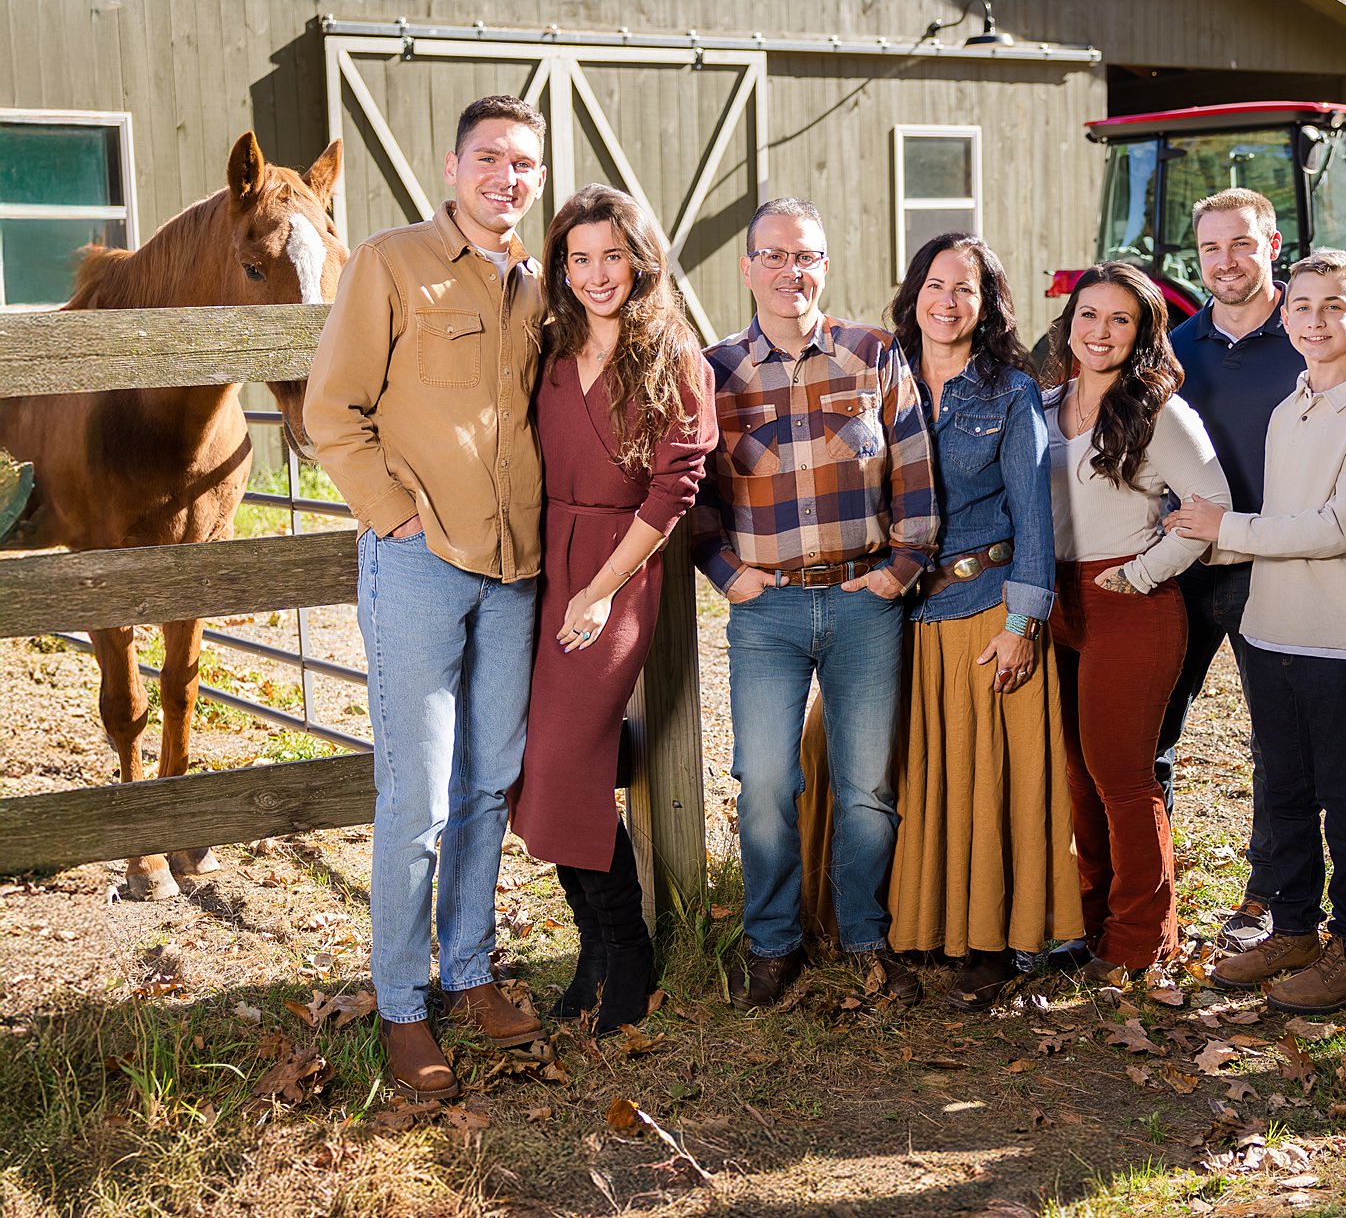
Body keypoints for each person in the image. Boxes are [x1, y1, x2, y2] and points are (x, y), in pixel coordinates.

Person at [305, 95, 550, 1101]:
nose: (505, 176)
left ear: (536, 181)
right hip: (419, 560)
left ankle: (470, 971)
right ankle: (404, 1004)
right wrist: (392, 514)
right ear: (452, 168)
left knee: (488, 782)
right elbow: (332, 409)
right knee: (416, 796)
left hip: (516, 568)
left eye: (522, 163)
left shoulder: (539, 285)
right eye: (488, 158)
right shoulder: (390, 262)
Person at [797, 233, 1083, 1010]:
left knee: (976, 778)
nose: (947, 300)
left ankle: (987, 939)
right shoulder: (872, 375)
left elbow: (1033, 518)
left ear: (987, 306)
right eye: (935, 283)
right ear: (913, 291)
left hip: (978, 605)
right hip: (884, 607)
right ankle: (866, 918)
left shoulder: (1010, 393)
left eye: (965, 288)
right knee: (847, 757)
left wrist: (1022, 624)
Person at [1159, 188, 1346, 953]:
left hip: (1283, 574)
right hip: (1194, 564)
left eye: (1241, 243)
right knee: (1171, 737)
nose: (1225, 260)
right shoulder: (1178, 347)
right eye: (1211, 247)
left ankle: (1271, 903)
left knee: (1298, 764)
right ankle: (1163, 901)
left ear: (1271, 245)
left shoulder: (1329, 348)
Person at [693, 197, 938, 1008]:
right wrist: (724, 571)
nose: (788, 271)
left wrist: (902, 567)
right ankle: (773, 943)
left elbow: (912, 465)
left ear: (824, 267)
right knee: (765, 781)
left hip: (866, 604)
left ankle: (865, 937)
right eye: (773, 255)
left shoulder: (873, 353)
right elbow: (689, 488)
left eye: (804, 256)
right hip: (767, 611)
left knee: (866, 786)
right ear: (747, 267)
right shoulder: (713, 371)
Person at [508, 185, 717, 1035]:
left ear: (640, 259)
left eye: (612, 256)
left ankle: (629, 950)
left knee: (566, 758)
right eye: (579, 258)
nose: (597, 275)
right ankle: (592, 949)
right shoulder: (549, 344)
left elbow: (675, 489)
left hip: (617, 566)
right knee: (539, 764)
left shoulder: (673, 354)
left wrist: (598, 593)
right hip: (540, 561)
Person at [1041, 261, 1231, 986]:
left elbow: (1212, 507)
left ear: (1142, 332)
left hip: (1129, 603)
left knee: (1122, 776)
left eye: (1120, 319)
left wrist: (1143, 571)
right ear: (1069, 324)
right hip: (1054, 603)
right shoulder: (1045, 404)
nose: (1101, 331)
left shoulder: (1160, 412)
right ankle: (1090, 922)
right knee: (1078, 777)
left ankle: (1140, 939)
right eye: (1089, 315)